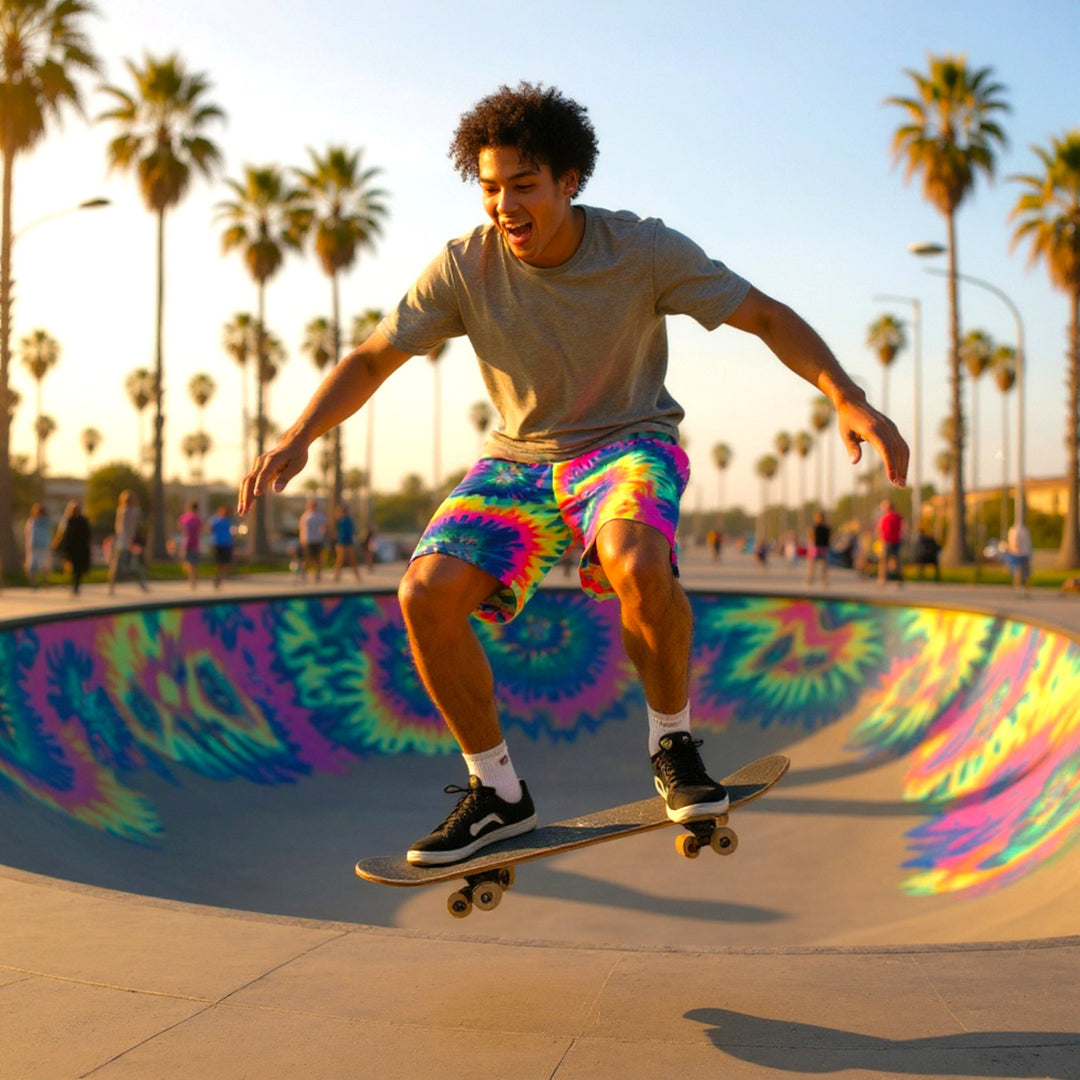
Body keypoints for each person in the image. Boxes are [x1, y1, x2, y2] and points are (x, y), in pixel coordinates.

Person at [238, 83, 909, 867]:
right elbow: (373, 355)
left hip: (627, 444)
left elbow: (761, 314)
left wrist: (849, 397)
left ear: (569, 182)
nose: (504, 208)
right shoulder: (463, 266)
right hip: (517, 460)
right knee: (424, 595)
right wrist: (298, 434)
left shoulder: (643, 250)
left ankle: (673, 746)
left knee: (634, 556)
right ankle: (497, 795)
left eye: (523, 187)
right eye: (490, 189)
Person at [107, 490, 148, 594]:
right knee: (117, 564)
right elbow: (120, 527)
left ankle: (142, 584)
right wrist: (123, 539)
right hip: (123, 541)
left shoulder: (135, 511)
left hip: (130, 541)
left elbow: (136, 527)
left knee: (135, 564)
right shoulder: (122, 511)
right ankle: (111, 586)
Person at [53, 500, 91, 594]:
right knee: (73, 567)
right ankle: (73, 584)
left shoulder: (83, 521)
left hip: (81, 548)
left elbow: (88, 534)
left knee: (79, 569)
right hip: (71, 548)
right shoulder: (67, 520)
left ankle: (76, 586)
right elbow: (61, 534)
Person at [298, 498, 328, 583]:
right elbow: (302, 527)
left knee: (318, 558)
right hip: (308, 539)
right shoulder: (306, 515)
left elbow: (325, 526)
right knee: (307, 557)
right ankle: (303, 572)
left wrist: (324, 535)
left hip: (318, 539)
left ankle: (317, 574)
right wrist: (302, 538)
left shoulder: (320, 516)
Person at [877, 499, 904, 586]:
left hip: (887, 541)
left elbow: (879, 529)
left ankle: (882, 579)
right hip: (896, 540)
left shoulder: (886, 517)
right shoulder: (898, 517)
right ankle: (898, 580)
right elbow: (902, 528)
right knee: (896, 561)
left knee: (884, 561)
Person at [332, 503, 362, 583]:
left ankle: (356, 576)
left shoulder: (347, 521)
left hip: (347, 543)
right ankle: (337, 576)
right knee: (341, 560)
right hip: (343, 543)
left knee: (350, 560)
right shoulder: (343, 521)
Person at [24, 503, 52, 588]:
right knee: (32, 566)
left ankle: (46, 582)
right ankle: (33, 583)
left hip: (44, 546)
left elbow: (49, 534)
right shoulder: (31, 522)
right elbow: (27, 534)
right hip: (34, 547)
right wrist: (27, 547)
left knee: (45, 566)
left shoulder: (46, 522)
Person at [178, 501, 203, 590]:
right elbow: (200, 530)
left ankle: (192, 580)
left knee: (191, 562)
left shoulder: (185, 517)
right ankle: (192, 579)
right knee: (192, 563)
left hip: (189, 542)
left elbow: (181, 528)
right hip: (192, 542)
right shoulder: (196, 518)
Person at [209, 505, 234, 589]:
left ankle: (220, 578)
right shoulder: (216, 521)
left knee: (224, 563)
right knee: (218, 562)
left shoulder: (228, 521)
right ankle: (217, 576)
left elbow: (231, 532)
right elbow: (210, 529)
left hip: (226, 544)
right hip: (218, 544)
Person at [1006, 519, 1033, 595]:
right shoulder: (1025, 530)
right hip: (1024, 553)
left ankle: (1018, 587)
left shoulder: (1013, 530)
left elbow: (1014, 543)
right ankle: (1025, 588)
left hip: (1016, 553)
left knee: (1017, 570)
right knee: (1025, 573)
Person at [806, 511, 831, 587]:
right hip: (819, 548)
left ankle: (821, 581)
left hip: (820, 548)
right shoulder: (823, 528)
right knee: (813, 566)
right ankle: (811, 580)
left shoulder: (820, 528)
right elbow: (810, 538)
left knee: (819, 566)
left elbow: (810, 538)